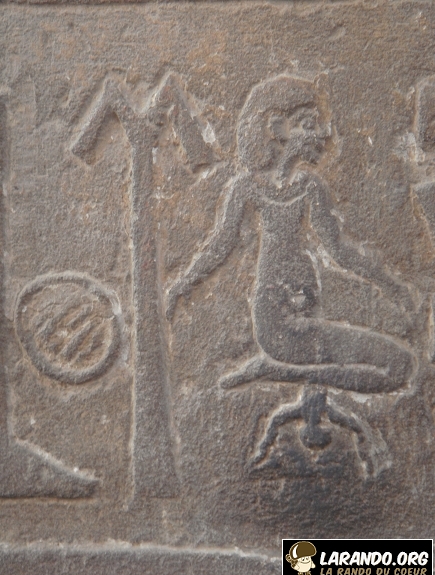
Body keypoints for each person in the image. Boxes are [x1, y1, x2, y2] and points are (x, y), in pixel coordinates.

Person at [166, 75, 416, 394]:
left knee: (399, 367)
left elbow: (339, 251)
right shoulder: (247, 188)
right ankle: (279, 372)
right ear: (278, 129)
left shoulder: (309, 186)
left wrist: (392, 287)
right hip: (277, 324)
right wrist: (181, 286)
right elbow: (219, 247)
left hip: (307, 313)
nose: (323, 134)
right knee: (398, 365)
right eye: (309, 124)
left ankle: (277, 371)